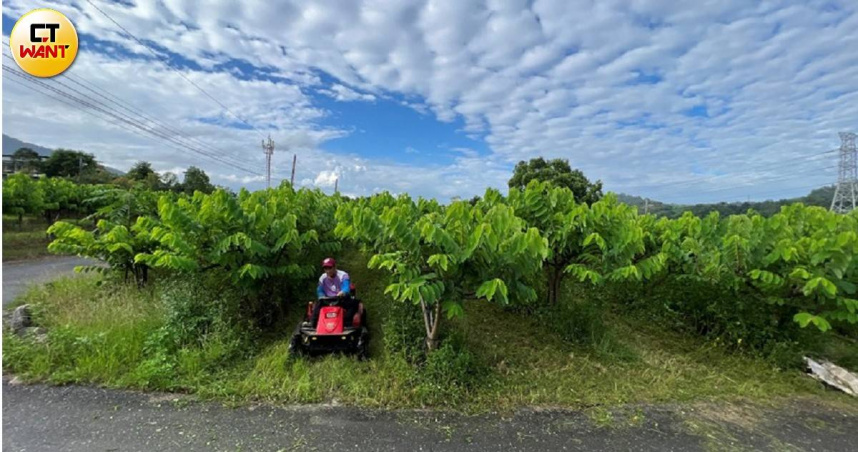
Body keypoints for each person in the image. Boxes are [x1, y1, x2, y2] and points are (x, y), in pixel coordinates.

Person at [310, 257, 358, 328]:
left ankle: (348, 325)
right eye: (326, 268)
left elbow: (346, 287)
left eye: (330, 268)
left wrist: (343, 292)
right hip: (327, 300)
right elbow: (319, 290)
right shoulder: (322, 278)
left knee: (353, 305)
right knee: (317, 306)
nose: (328, 271)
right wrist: (321, 296)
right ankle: (314, 326)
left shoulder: (343, 275)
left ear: (335, 267)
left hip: (341, 298)